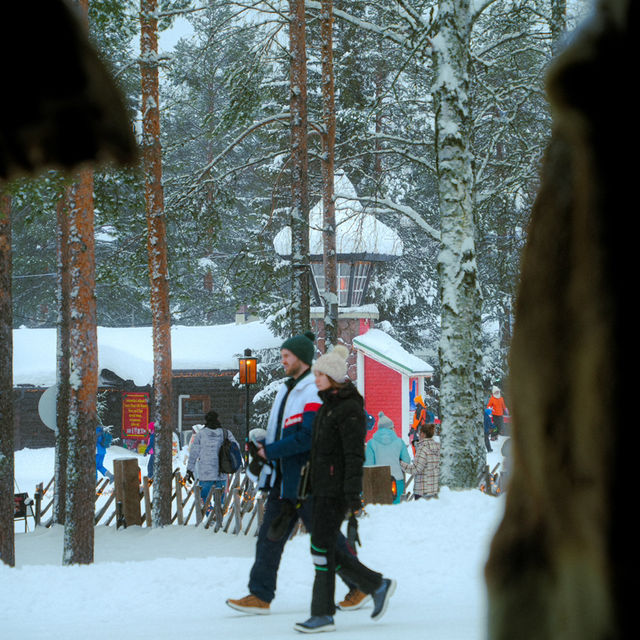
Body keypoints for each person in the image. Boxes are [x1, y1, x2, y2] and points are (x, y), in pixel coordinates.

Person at [227, 331, 357, 615]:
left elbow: (309, 436)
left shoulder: (312, 390)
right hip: (285, 480)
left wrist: (270, 452)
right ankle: (260, 595)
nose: (283, 361)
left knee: (325, 538)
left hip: (306, 480)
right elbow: (289, 432)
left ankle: (361, 584)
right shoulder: (289, 389)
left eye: (287, 356)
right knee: (269, 538)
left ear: (301, 358)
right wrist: (265, 444)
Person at [294, 345, 396, 634]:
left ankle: (324, 613)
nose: (315, 379)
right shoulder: (328, 406)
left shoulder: (349, 409)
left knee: (321, 548)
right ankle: (375, 585)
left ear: (333, 377)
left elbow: (354, 455)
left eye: (320, 374)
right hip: (320, 488)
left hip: (335, 490)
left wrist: (352, 494)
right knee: (323, 548)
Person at [185, 410, 238, 506]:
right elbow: (236, 448)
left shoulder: (201, 434)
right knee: (220, 502)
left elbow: (193, 453)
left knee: (203, 501)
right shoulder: (225, 433)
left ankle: (209, 516)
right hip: (222, 472)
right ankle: (218, 518)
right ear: (218, 420)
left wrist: (190, 469)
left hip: (205, 474)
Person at [364, 412, 411, 503]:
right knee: (395, 510)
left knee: (381, 509)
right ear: (391, 428)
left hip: (378, 481)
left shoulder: (371, 443)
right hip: (397, 481)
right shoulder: (399, 442)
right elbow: (407, 461)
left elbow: (368, 465)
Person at [400, 423, 440, 499]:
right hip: (434, 490)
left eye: (419, 433)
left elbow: (416, 469)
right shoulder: (438, 447)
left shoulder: (422, 448)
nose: (418, 435)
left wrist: (401, 463)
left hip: (422, 491)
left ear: (423, 434)